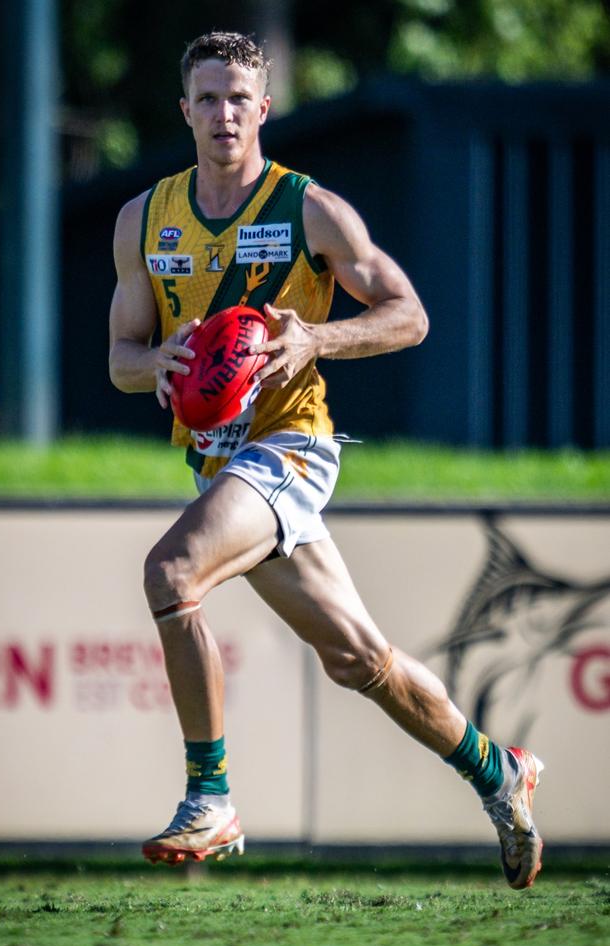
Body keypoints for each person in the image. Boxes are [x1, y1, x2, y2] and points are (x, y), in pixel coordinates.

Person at [109, 31, 544, 889]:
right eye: (208, 97)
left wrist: (316, 337)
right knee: (362, 662)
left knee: (171, 574)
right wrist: (152, 364)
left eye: (240, 97)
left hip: (292, 452)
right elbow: (122, 357)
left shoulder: (309, 209)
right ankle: (500, 772)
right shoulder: (143, 220)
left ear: (263, 108)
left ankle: (212, 797)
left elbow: (409, 315)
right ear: (185, 110)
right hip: (221, 470)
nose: (224, 113)